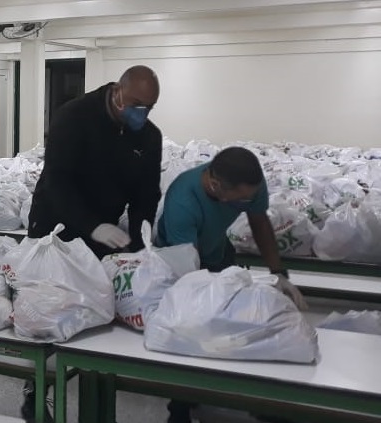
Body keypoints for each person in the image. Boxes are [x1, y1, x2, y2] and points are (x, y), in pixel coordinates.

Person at [24, 65, 163, 422]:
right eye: (135, 104)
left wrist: (142, 242)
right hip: (56, 220)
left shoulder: (148, 136)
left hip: (105, 225)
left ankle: (95, 385)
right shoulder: (74, 117)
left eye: (148, 107)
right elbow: (58, 179)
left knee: (98, 304)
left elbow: (146, 194)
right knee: (47, 306)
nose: (141, 113)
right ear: (117, 91)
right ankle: (35, 386)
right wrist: (90, 225)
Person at [156, 146, 307, 423]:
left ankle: (257, 399)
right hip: (177, 262)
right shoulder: (183, 201)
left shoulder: (250, 185)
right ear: (215, 186)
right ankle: (180, 407)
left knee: (243, 324)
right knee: (192, 332)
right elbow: (189, 274)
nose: (245, 203)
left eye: (249, 197)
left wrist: (278, 273)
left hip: (218, 252)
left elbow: (259, 223)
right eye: (239, 201)